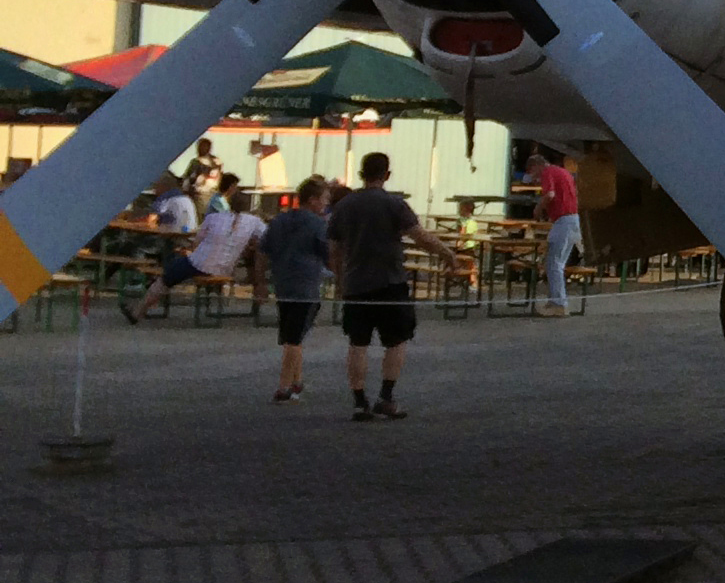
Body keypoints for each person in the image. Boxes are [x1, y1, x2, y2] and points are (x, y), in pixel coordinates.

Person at [325, 150, 470, 421]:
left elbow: (333, 249)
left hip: (356, 283)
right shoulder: (394, 204)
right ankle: (386, 396)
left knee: (358, 343)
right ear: (386, 174)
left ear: (361, 174)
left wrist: (340, 280)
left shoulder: (344, 206)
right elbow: (420, 236)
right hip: (390, 281)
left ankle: (359, 401)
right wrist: (447, 254)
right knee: (397, 340)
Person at [128, 181, 268, 321]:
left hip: (200, 263)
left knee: (166, 277)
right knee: (179, 266)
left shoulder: (213, 218)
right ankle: (147, 306)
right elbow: (267, 236)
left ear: (229, 203)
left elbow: (196, 243)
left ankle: (139, 310)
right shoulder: (254, 222)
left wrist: (188, 251)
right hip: (225, 268)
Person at [261, 179, 333, 402]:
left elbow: (262, 250)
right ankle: (284, 385)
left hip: (282, 282)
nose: (325, 205)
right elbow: (328, 253)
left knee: (293, 332)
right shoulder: (318, 224)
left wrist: (260, 282)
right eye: (323, 200)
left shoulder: (279, 220)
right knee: (294, 336)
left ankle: (296, 379)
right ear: (312, 200)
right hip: (306, 284)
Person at [522, 145, 582, 316]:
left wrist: (538, 209)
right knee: (555, 262)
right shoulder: (563, 172)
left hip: (564, 220)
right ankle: (554, 300)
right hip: (571, 219)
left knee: (554, 263)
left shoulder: (548, 173)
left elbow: (550, 195)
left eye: (533, 173)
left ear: (536, 166)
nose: (535, 178)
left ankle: (559, 303)